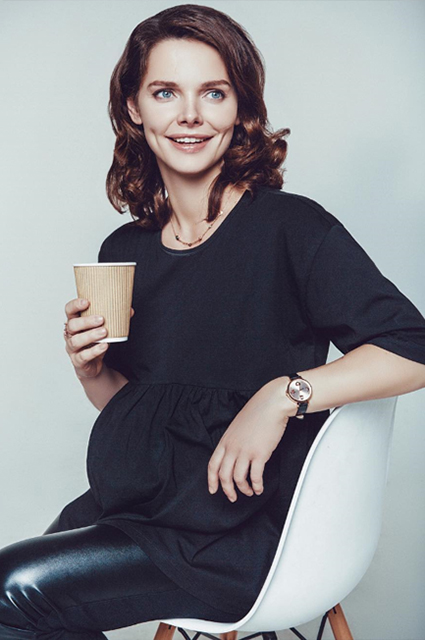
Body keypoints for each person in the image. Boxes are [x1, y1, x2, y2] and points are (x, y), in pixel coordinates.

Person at [1, 4, 425, 639]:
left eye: (214, 92)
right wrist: (92, 371)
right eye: (165, 92)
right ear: (134, 108)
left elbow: (412, 348)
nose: (190, 115)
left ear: (240, 108)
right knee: (19, 597)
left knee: (15, 588)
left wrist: (281, 396)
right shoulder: (125, 250)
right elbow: (146, 416)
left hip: (241, 536)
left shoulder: (291, 227)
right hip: (144, 513)